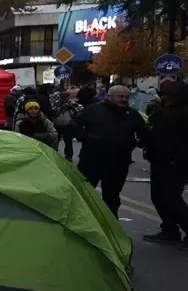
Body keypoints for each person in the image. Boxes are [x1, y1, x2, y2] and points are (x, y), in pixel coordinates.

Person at [73, 85, 147, 216]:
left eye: (126, 97)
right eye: (120, 96)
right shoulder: (93, 110)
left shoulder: (132, 114)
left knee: (112, 197)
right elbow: (74, 124)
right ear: (109, 97)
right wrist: (84, 137)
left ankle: (112, 226)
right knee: (83, 193)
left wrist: (137, 142)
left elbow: (143, 132)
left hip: (118, 163)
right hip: (91, 161)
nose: (124, 99)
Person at [143, 80, 188, 244]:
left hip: (175, 163)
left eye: (169, 95)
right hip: (158, 160)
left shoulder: (184, 113)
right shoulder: (164, 111)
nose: (166, 98)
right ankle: (169, 229)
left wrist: (178, 159)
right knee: (158, 196)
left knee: (171, 198)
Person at [49, 89, 81, 161]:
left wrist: (73, 120)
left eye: (65, 96)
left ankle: (68, 156)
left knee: (68, 142)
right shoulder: (56, 103)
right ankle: (54, 154)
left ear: (68, 97)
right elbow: (53, 112)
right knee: (56, 141)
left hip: (68, 126)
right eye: (62, 96)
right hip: (57, 125)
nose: (64, 98)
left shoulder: (72, 103)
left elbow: (80, 110)